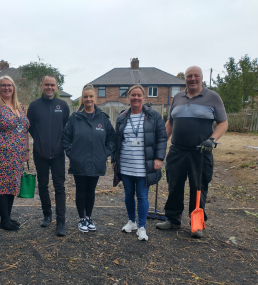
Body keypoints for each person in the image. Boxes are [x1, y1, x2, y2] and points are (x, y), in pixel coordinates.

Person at [156, 66, 228, 238]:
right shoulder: (178, 97)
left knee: (198, 187)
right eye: (189, 76)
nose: (193, 79)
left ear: (201, 78)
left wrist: (212, 140)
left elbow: (223, 123)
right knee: (174, 185)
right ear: (185, 79)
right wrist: (160, 143)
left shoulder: (213, 97)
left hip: (200, 152)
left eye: (196, 76)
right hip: (177, 151)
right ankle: (173, 220)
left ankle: (197, 224)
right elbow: (170, 123)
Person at [112, 85, 167, 241]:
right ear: (128, 97)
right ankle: (132, 222)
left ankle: (142, 227)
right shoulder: (122, 117)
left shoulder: (153, 116)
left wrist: (159, 158)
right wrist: (114, 160)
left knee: (142, 196)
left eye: (138, 95)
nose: (136, 98)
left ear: (143, 97)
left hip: (144, 165)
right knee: (128, 194)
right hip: (126, 163)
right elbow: (116, 141)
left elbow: (162, 138)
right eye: (133, 95)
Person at [63, 84, 115, 233]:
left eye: (91, 96)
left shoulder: (102, 118)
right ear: (82, 98)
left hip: (96, 161)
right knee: (81, 189)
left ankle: (89, 217)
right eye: (85, 96)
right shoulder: (75, 118)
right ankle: (81, 219)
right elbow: (65, 138)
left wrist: (105, 153)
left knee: (91, 190)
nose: (88, 99)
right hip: (79, 161)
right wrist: (71, 153)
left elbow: (112, 137)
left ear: (95, 98)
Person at [0, 76, 30, 231]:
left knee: (11, 185)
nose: (7, 88)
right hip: (1, 154)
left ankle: (8, 217)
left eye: (9, 85)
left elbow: (24, 130)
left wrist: (26, 150)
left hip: (17, 156)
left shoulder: (20, 107)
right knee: (2, 186)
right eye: (3, 85)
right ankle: (4, 221)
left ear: (14, 87)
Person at [27, 75, 70, 236]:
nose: (49, 87)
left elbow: (67, 127)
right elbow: (29, 127)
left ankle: (61, 221)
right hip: (40, 153)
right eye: (47, 85)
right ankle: (47, 215)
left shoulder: (63, 105)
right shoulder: (34, 106)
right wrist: (39, 140)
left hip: (59, 154)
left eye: (52, 85)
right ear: (41, 85)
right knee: (43, 185)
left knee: (59, 187)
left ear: (57, 87)